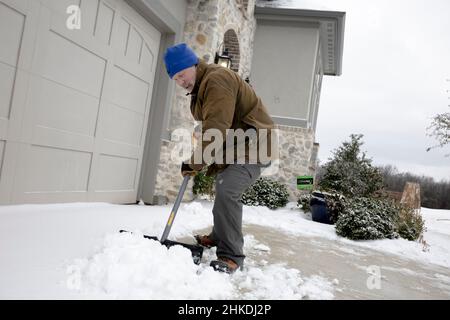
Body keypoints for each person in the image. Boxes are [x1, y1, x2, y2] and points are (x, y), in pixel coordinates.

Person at [164, 43, 274, 273]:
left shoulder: (216, 80)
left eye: (182, 74)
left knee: (227, 191)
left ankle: (232, 255)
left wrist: (195, 162)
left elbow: (216, 127)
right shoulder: (201, 87)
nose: (181, 81)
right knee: (223, 188)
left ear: (193, 65)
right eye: (176, 79)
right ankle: (218, 235)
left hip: (254, 146)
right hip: (236, 145)